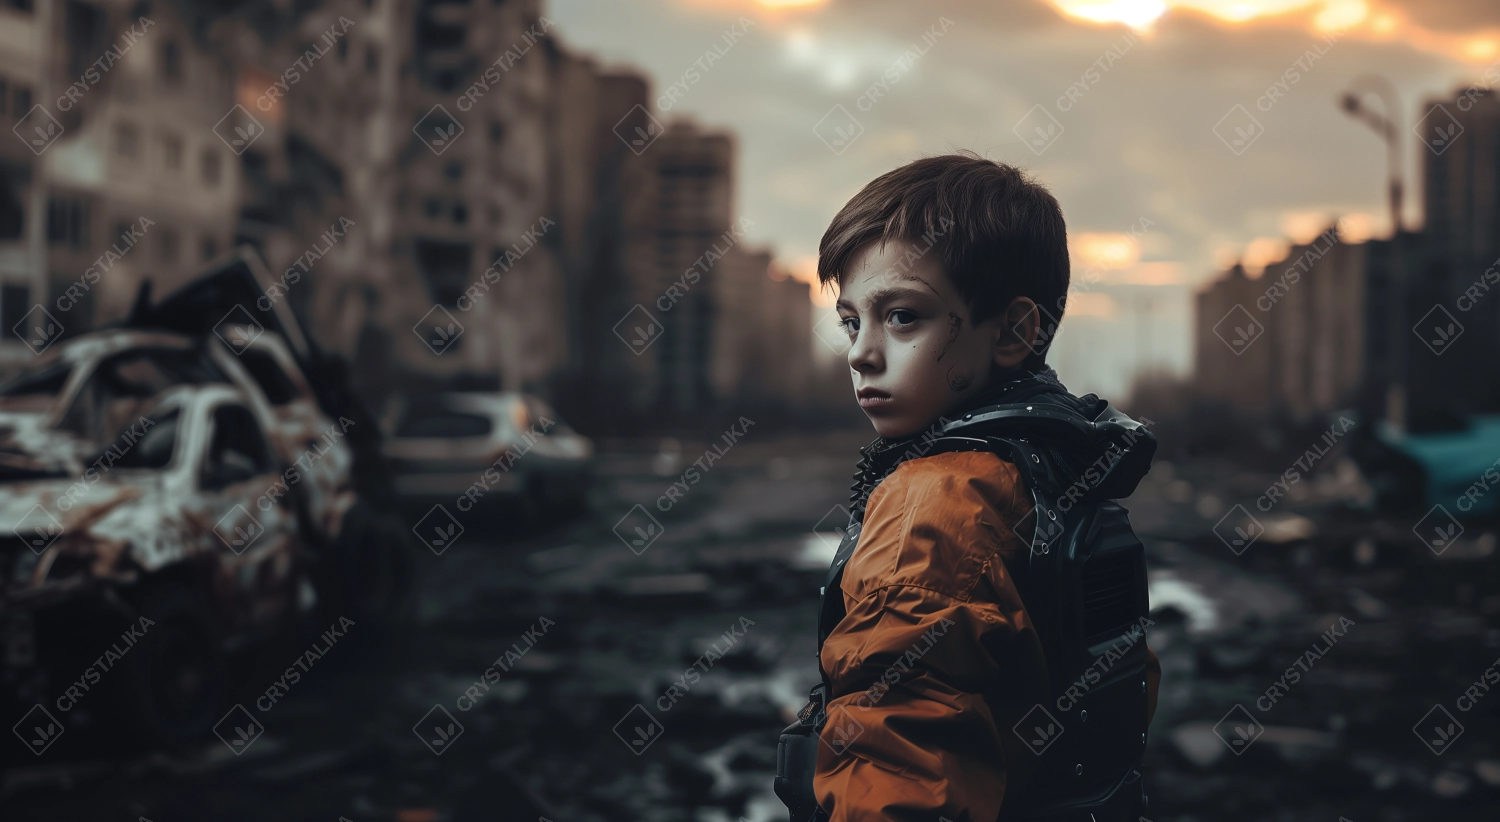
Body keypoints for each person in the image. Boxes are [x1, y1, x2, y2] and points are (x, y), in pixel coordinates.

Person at [775, 152, 1161, 822]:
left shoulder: (935, 504)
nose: (861, 353)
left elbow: (895, 764)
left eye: (902, 317)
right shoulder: (1050, 466)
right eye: (850, 321)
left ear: (1013, 331)